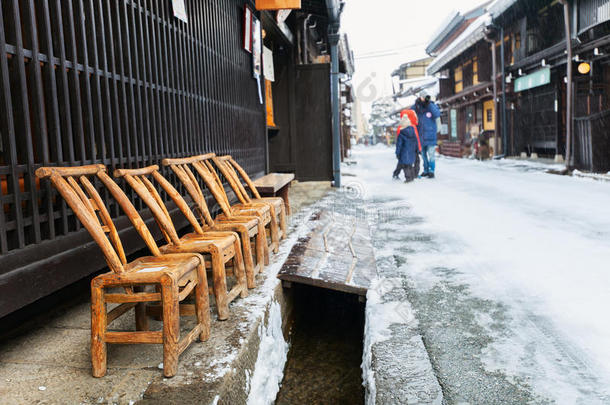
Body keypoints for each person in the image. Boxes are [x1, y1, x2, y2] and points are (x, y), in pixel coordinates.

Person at [413, 91, 441, 178]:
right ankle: (426, 170)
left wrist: (429, 103)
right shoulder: (417, 106)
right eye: (422, 97)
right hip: (421, 134)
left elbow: (437, 114)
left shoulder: (431, 105)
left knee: (431, 153)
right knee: (423, 154)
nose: (424, 98)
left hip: (430, 133)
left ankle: (431, 171)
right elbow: (410, 112)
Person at [392, 114, 419, 183]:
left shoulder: (401, 134)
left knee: (405, 166)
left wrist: (397, 153)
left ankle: (408, 178)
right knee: (410, 165)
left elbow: (399, 145)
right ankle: (412, 177)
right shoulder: (413, 132)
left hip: (404, 152)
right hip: (412, 152)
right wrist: (416, 150)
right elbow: (416, 142)